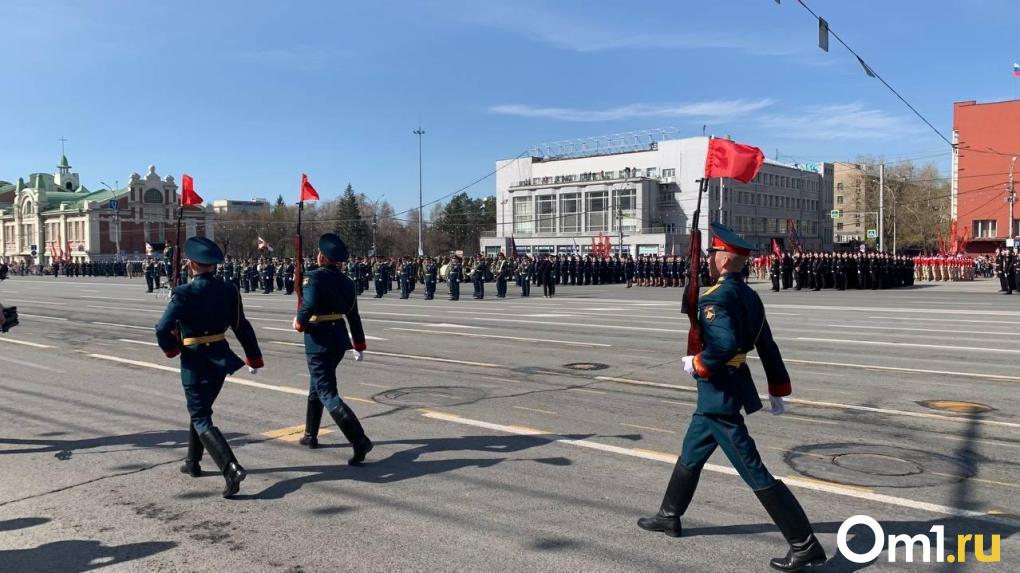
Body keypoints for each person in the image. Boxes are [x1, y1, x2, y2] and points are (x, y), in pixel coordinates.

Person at [636, 223, 825, 572]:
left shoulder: (715, 298)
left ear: (723, 261)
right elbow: (767, 345)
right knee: (692, 451)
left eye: (711, 255)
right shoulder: (751, 297)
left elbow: (721, 345)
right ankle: (669, 515)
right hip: (724, 391)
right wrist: (777, 387)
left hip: (720, 396)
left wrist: (698, 363)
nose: (707, 260)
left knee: (754, 469)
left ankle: (804, 543)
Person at [154, 237, 264, 498]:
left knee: (201, 415)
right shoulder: (230, 290)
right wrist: (254, 357)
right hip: (220, 357)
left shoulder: (183, 292)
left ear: (191, 264)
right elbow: (241, 325)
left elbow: (161, 328)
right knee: (201, 409)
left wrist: (171, 348)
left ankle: (231, 468)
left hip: (194, 360)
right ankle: (193, 462)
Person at [293, 233, 372, 465]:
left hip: (319, 339)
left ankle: (359, 439)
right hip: (338, 338)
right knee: (316, 385)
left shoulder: (314, 278)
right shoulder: (347, 281)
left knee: (327, 392)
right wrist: (359, 343)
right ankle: (310, 434)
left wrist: (299, 322)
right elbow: (354, 316)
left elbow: (308, 305)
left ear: (321, 256)